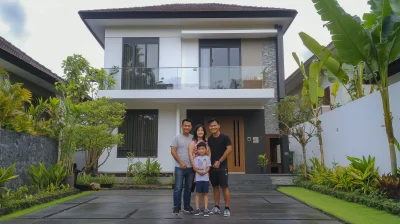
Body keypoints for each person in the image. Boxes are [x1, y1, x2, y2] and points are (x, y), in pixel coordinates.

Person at [207, 118, 233, 217]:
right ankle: (216, 207)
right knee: (215, 187)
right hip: (212, 167)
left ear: (218, 126)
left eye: (214, 125)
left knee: (224, 187)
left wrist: (220, 161)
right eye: (211, 126)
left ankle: (227, 208)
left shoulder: (225, 137)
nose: (213, 127)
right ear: (209, 127)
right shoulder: (209, 139)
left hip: (222, 167)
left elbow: (229, 149)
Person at [171, 118, 195, 215]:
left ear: (191, 127)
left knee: (188, 188)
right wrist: (180, 162)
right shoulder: (176, 137)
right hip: (179, 167)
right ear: (182, 126)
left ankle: (186, 206)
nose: (187, 127)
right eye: (185, 125)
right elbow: (173, 151)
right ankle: (176, 207)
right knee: (178, 188)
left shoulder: (193, 138)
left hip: (191, 167)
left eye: (189, 126)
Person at [189, 124, 211, 193]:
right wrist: (194, 166)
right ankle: (196, 203)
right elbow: (190, 154)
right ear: (196, 132)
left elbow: (209, 153)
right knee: (196, 188)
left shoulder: (207, 142)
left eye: (202, 130)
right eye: (198, 130)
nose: (200, 132)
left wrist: (207, 166)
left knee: (204, 188)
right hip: (196, 167)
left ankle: (204, 203)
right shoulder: (193, 142)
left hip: (205, 167)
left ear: (204, 132)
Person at [192, 141, 211, 217]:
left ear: (205, 149)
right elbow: (194, 167)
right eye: (199, 149)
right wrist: (199, 171)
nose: (201, 150)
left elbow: (208, 167)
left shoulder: (207, 158)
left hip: (205, 179)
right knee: (197, 193)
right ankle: (197, 208)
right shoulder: (196, 158)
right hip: (198, 179)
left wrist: (205, 172)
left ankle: (205, 209)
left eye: (203, 149)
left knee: (205, 193)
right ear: (197, 150)